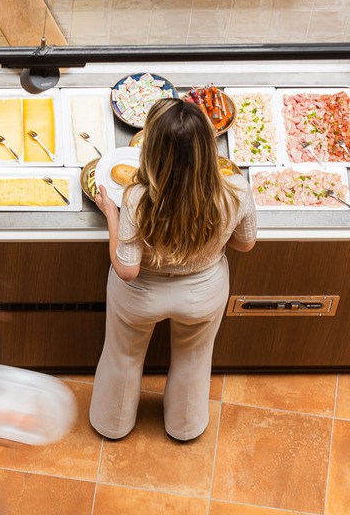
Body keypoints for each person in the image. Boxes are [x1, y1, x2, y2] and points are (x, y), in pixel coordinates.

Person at [91, 98, 258, 441]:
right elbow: (245, 244)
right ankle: (184, 427)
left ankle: (113, 424)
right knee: (194, 359)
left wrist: (111, 213)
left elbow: (127, 270)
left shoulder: (137, 197)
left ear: (151, 150)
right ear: (208, 148)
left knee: (123, 355)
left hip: (140, 295)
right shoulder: (237, 190)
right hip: (203, 292)